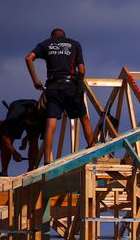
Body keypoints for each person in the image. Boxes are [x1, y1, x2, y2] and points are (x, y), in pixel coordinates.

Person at [25, 28, 94, 164]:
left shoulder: (45, 44)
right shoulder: (74, 44)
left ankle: (47, 161)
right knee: (84, 117)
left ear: (52, 37)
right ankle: (92, 149)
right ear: (64, 36)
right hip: (70, 86)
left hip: (53, 87)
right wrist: (79, 85)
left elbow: (29, 58)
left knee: (50, 124)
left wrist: (36, 81)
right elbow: (81, 69)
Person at [0, 99, 44, 176]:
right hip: (17, 114)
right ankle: (4, 172)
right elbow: (5, 137)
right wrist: (14, 153)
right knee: (7, 141)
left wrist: (26, 139)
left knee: (34, 141)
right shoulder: (15, 117)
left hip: (32, 112)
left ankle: (31, 170)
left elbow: (34, 133)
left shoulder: (42, 116)